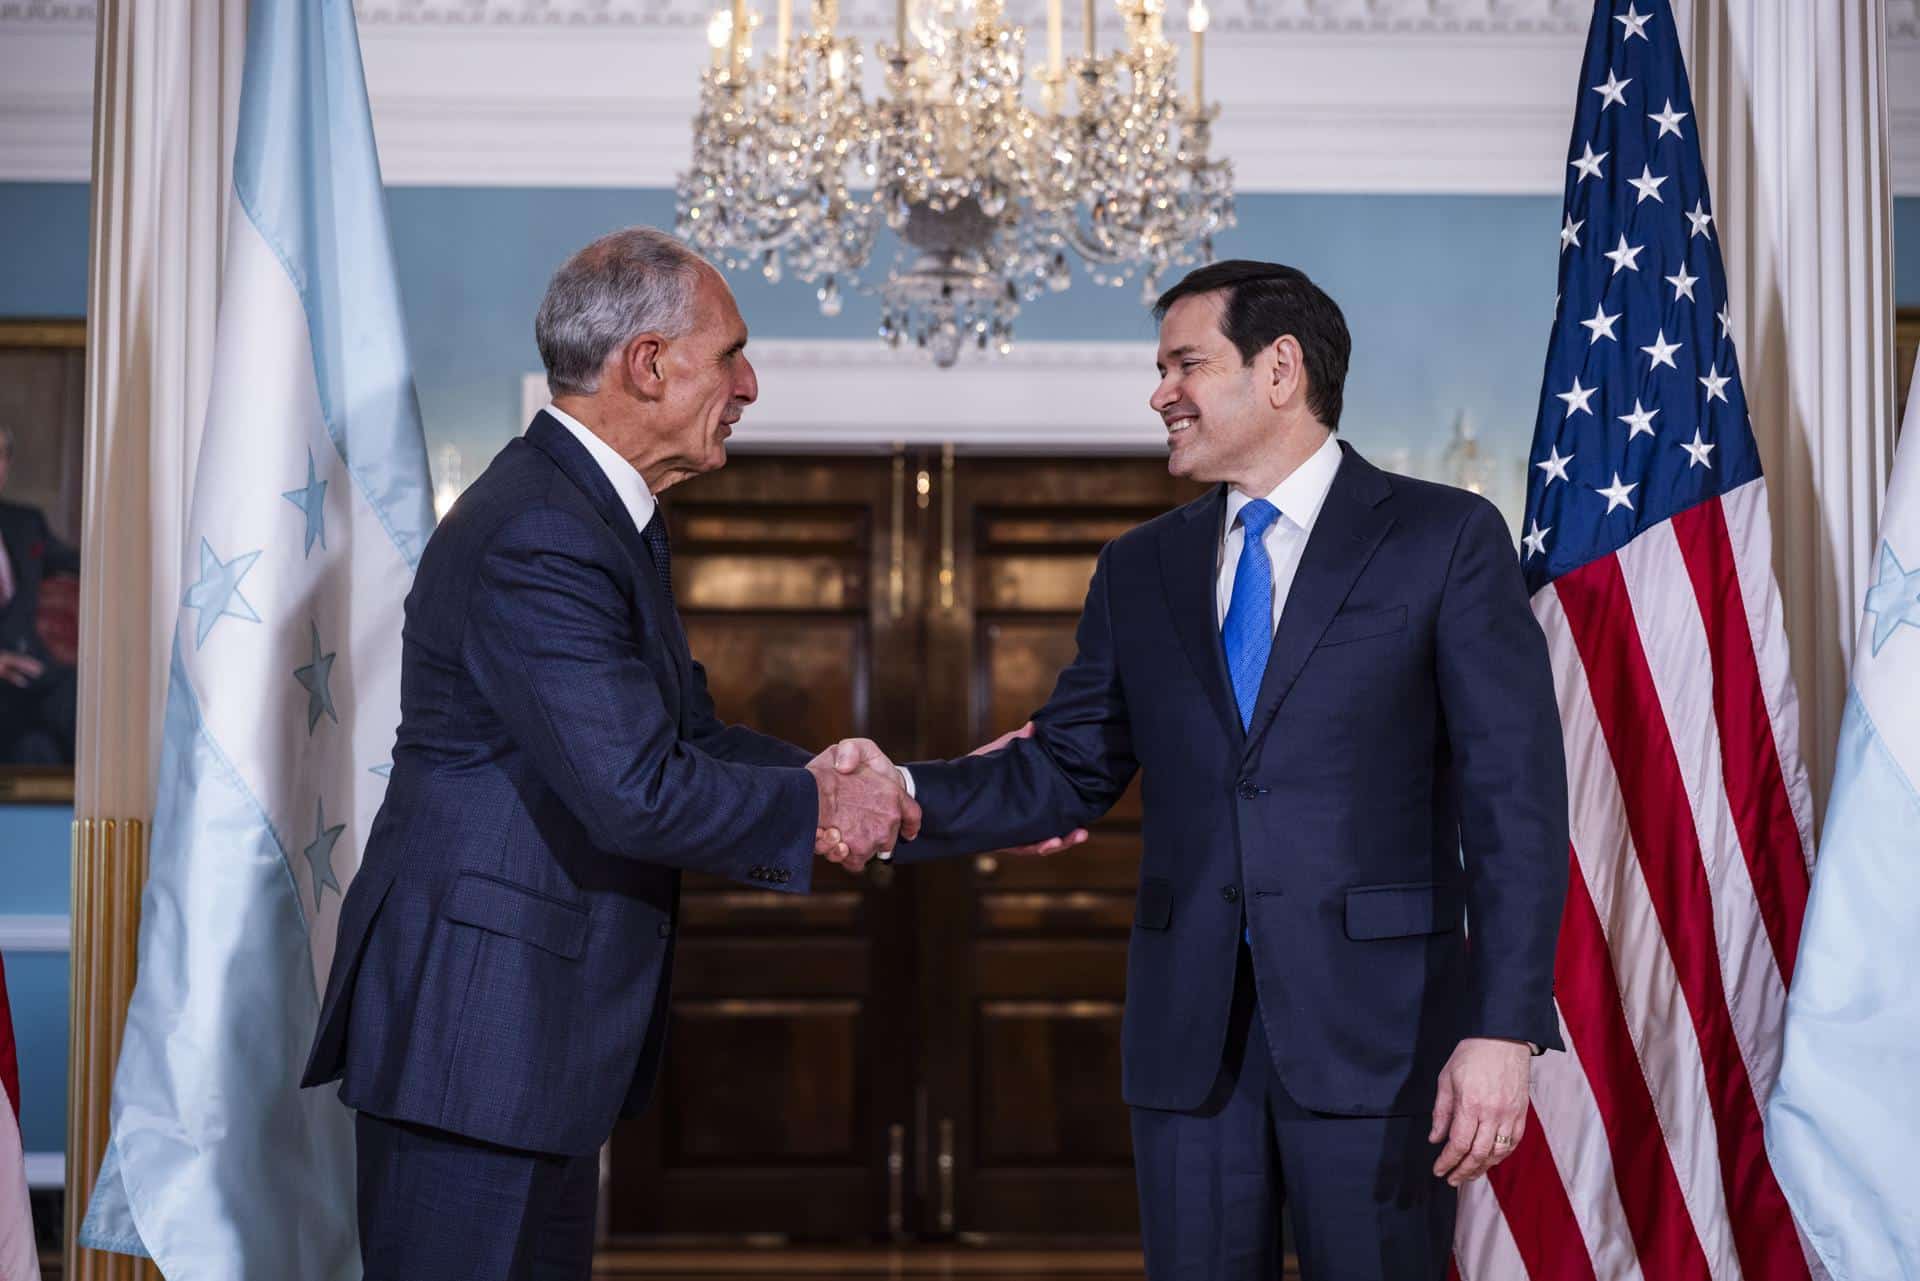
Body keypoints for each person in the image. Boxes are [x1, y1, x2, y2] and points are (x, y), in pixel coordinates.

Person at [853, 261, 1570, 1280]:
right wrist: (903, 795)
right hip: (1190, 1045)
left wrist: (1503, 1028)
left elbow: (1518, 804)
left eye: (1186, 363)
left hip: (1382, 1036)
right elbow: (1067, 768)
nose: (1160, 393)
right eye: (1161, 369)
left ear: (1281, 370)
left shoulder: (1442, 539)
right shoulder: (1137, 567)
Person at [301, 227, 919, 1281]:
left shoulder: (597, 518)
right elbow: (637, 791)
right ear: (648, 364)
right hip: (476, 1039)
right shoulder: (542, 529)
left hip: (523, 1039)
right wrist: (828, 807)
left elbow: (684, 740)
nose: (750, 382)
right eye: (731, 354)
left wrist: (888, 787)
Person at [0, 425, 81, 765]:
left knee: (42, 748)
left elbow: (83, 564)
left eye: (0, 455)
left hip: (32, 680)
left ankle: (119, 809)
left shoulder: (25, 523)